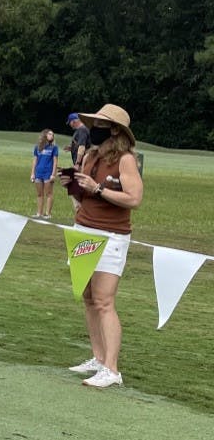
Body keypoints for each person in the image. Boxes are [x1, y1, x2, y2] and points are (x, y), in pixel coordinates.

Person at [60, 104, 143, 389]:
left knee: (105, 301)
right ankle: (98, 358)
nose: (92, 129)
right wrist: (72, 184)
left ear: (116, 131)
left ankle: (112, 368)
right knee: (88, 296)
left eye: (100, 125)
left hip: (111, 236)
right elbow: (85, 196)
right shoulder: (91, 155)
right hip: (83, 229)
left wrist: (98, 189)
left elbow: (133, 198)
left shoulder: (126, 160)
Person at [31, 128, 59, 218]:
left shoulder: (54, 148)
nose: (52, 136)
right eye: (50, 134)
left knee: (49, 194)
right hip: (38, 173)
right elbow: (34, 161)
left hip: (48, 173)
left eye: (53, 135)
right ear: (45, 135)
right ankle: (39, 213)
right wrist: (32, 173)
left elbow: (55, 162)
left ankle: (48, 214)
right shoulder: (37, 147)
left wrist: (53, 174)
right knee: (39, 194)